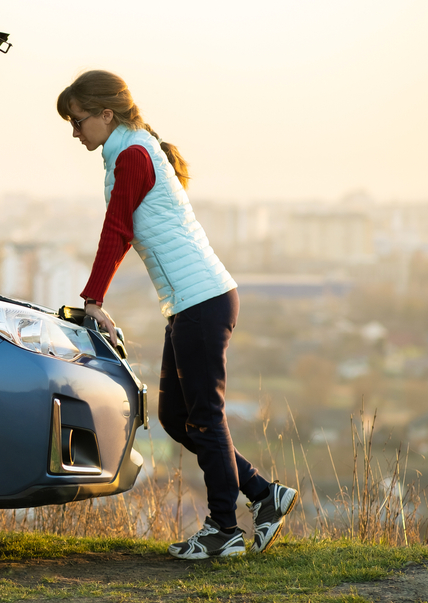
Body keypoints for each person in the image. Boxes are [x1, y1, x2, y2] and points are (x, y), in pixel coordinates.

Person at [57, 70, 298, 559]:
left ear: (107, 114)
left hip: (200, 303)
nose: (74, 132)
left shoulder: (132, 155)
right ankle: (264, 494)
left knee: (206, 417)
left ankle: (223, 529)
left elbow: (117, 230)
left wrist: (93, 298)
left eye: (78, 120)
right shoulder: (134, 150)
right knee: (174, 416)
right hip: (193, 304)